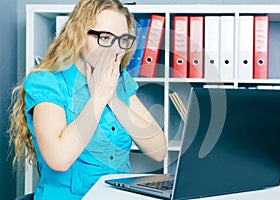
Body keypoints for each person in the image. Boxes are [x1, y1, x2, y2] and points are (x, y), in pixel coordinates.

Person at [9, 0, 167, 199]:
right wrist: (98, 98)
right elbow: (59, 159)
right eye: (105, 37)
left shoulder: (119, 79)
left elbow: (158, 150)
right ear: (78, 34)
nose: (115, 49)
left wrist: (114, 100)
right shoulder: (46, 82)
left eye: (122, 40)